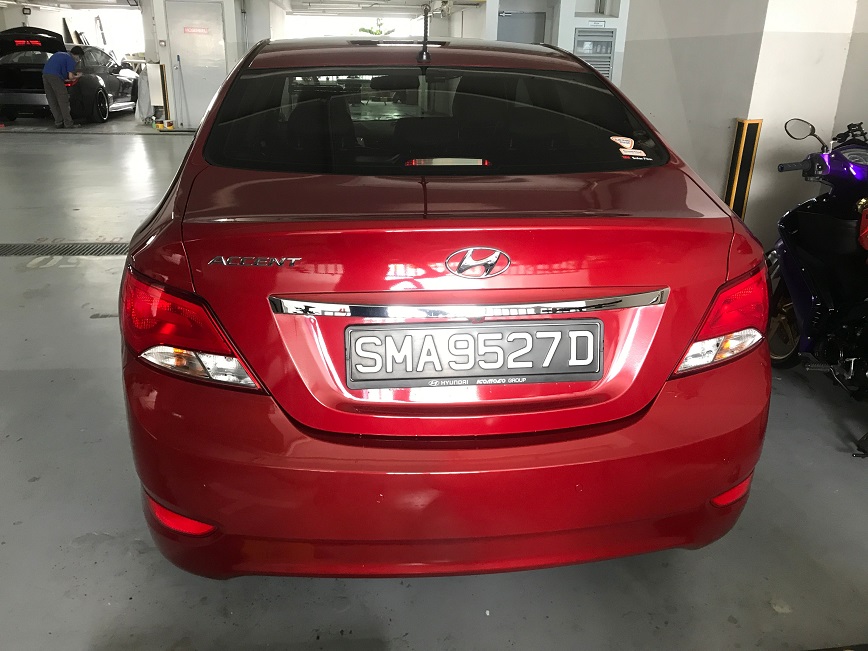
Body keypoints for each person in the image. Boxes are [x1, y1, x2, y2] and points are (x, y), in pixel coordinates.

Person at [42, 46, 84, 129]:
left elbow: (62, 75)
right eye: (80, 57)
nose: (79, 59)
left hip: (45, 76)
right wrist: (78, 76)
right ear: (77, 55)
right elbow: (71, 77)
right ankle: (68, 124)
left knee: (52, 100)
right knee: (63, 100)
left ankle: (59, 122)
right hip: (55, 76)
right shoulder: (71, 59)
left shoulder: (59, 54)